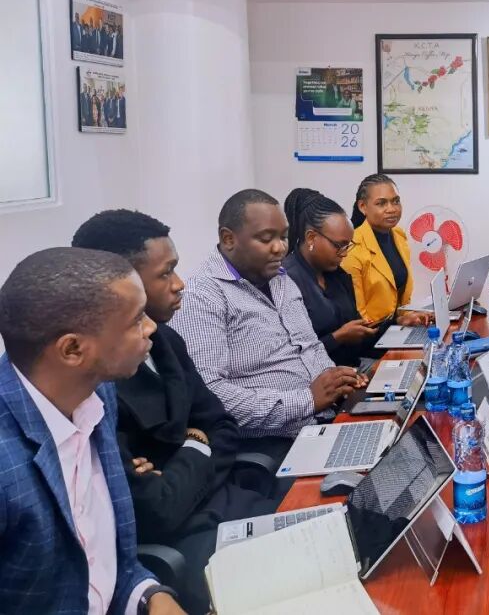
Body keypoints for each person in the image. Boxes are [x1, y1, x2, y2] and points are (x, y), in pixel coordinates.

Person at [72, 209, 279, 614]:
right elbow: (157, 511)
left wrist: (182, 463)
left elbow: (223, 425)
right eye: (166, 273)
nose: (180, 283)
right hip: (186, 547)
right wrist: (197, 445)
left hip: (232, 504)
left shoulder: (166, 340)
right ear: (120, 284)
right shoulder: (98, 382)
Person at [0, 248, 184, 614]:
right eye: (136, 320)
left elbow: (107, 564)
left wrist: (149, 595)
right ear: (72, 349)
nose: (151, 327)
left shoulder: (97, 395)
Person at [171, 189, 368, 466]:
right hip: (273, 444)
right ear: (228, 239)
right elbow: (210, 394)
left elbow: (310, 346)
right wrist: (307, 400)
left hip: (322, 421)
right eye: (266, 239)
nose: (280, 248)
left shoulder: (280, 279)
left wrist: (338, 380)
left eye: (283, 236)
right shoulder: (202, 296)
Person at [283, 188, 383, 366]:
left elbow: (360, 338)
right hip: (318, 378)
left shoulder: (338, 275)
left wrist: (397, 324)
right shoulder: (286, 280)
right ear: (311, 238)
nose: (344, 254)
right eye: (339, 245)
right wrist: (338, 337)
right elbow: (289, 357)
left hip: (353, 369)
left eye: (348, 245)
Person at [340, 174, 431, 327]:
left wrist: (412, 316)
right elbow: (358, 319)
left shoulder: (399, 236)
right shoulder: (352, 249)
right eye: (381, 203)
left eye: (396, 201)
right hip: (371, 336)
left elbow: (401, 302)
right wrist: (396, 323)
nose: (391, 209)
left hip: (398, 329)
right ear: (362, 207)